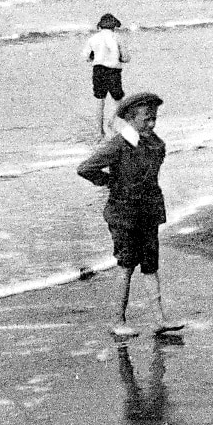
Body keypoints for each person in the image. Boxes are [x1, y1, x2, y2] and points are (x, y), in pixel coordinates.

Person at [76, 92, 185, 338]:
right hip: (123, 215)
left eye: (154, 118)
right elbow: (85, 168)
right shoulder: (118, 144)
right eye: (146, 119)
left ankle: (160, 320)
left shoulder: (154, 143)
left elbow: (152, 163)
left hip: (149, 212)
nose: (152, 123)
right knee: (126, 266)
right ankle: (118, 321)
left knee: (150, 266)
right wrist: (111, 182)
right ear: (130, 119)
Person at [83, 13, 130, 140]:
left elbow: (86, 57)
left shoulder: (93, 38)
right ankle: (113, 123)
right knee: (118, 100)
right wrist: (119, 57)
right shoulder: (117, 38)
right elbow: (126, 58)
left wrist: (94, 57)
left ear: (100, 26)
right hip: (114, 71)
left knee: (100, 100)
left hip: (98, 70)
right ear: (114, 26)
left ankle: (100, 131)